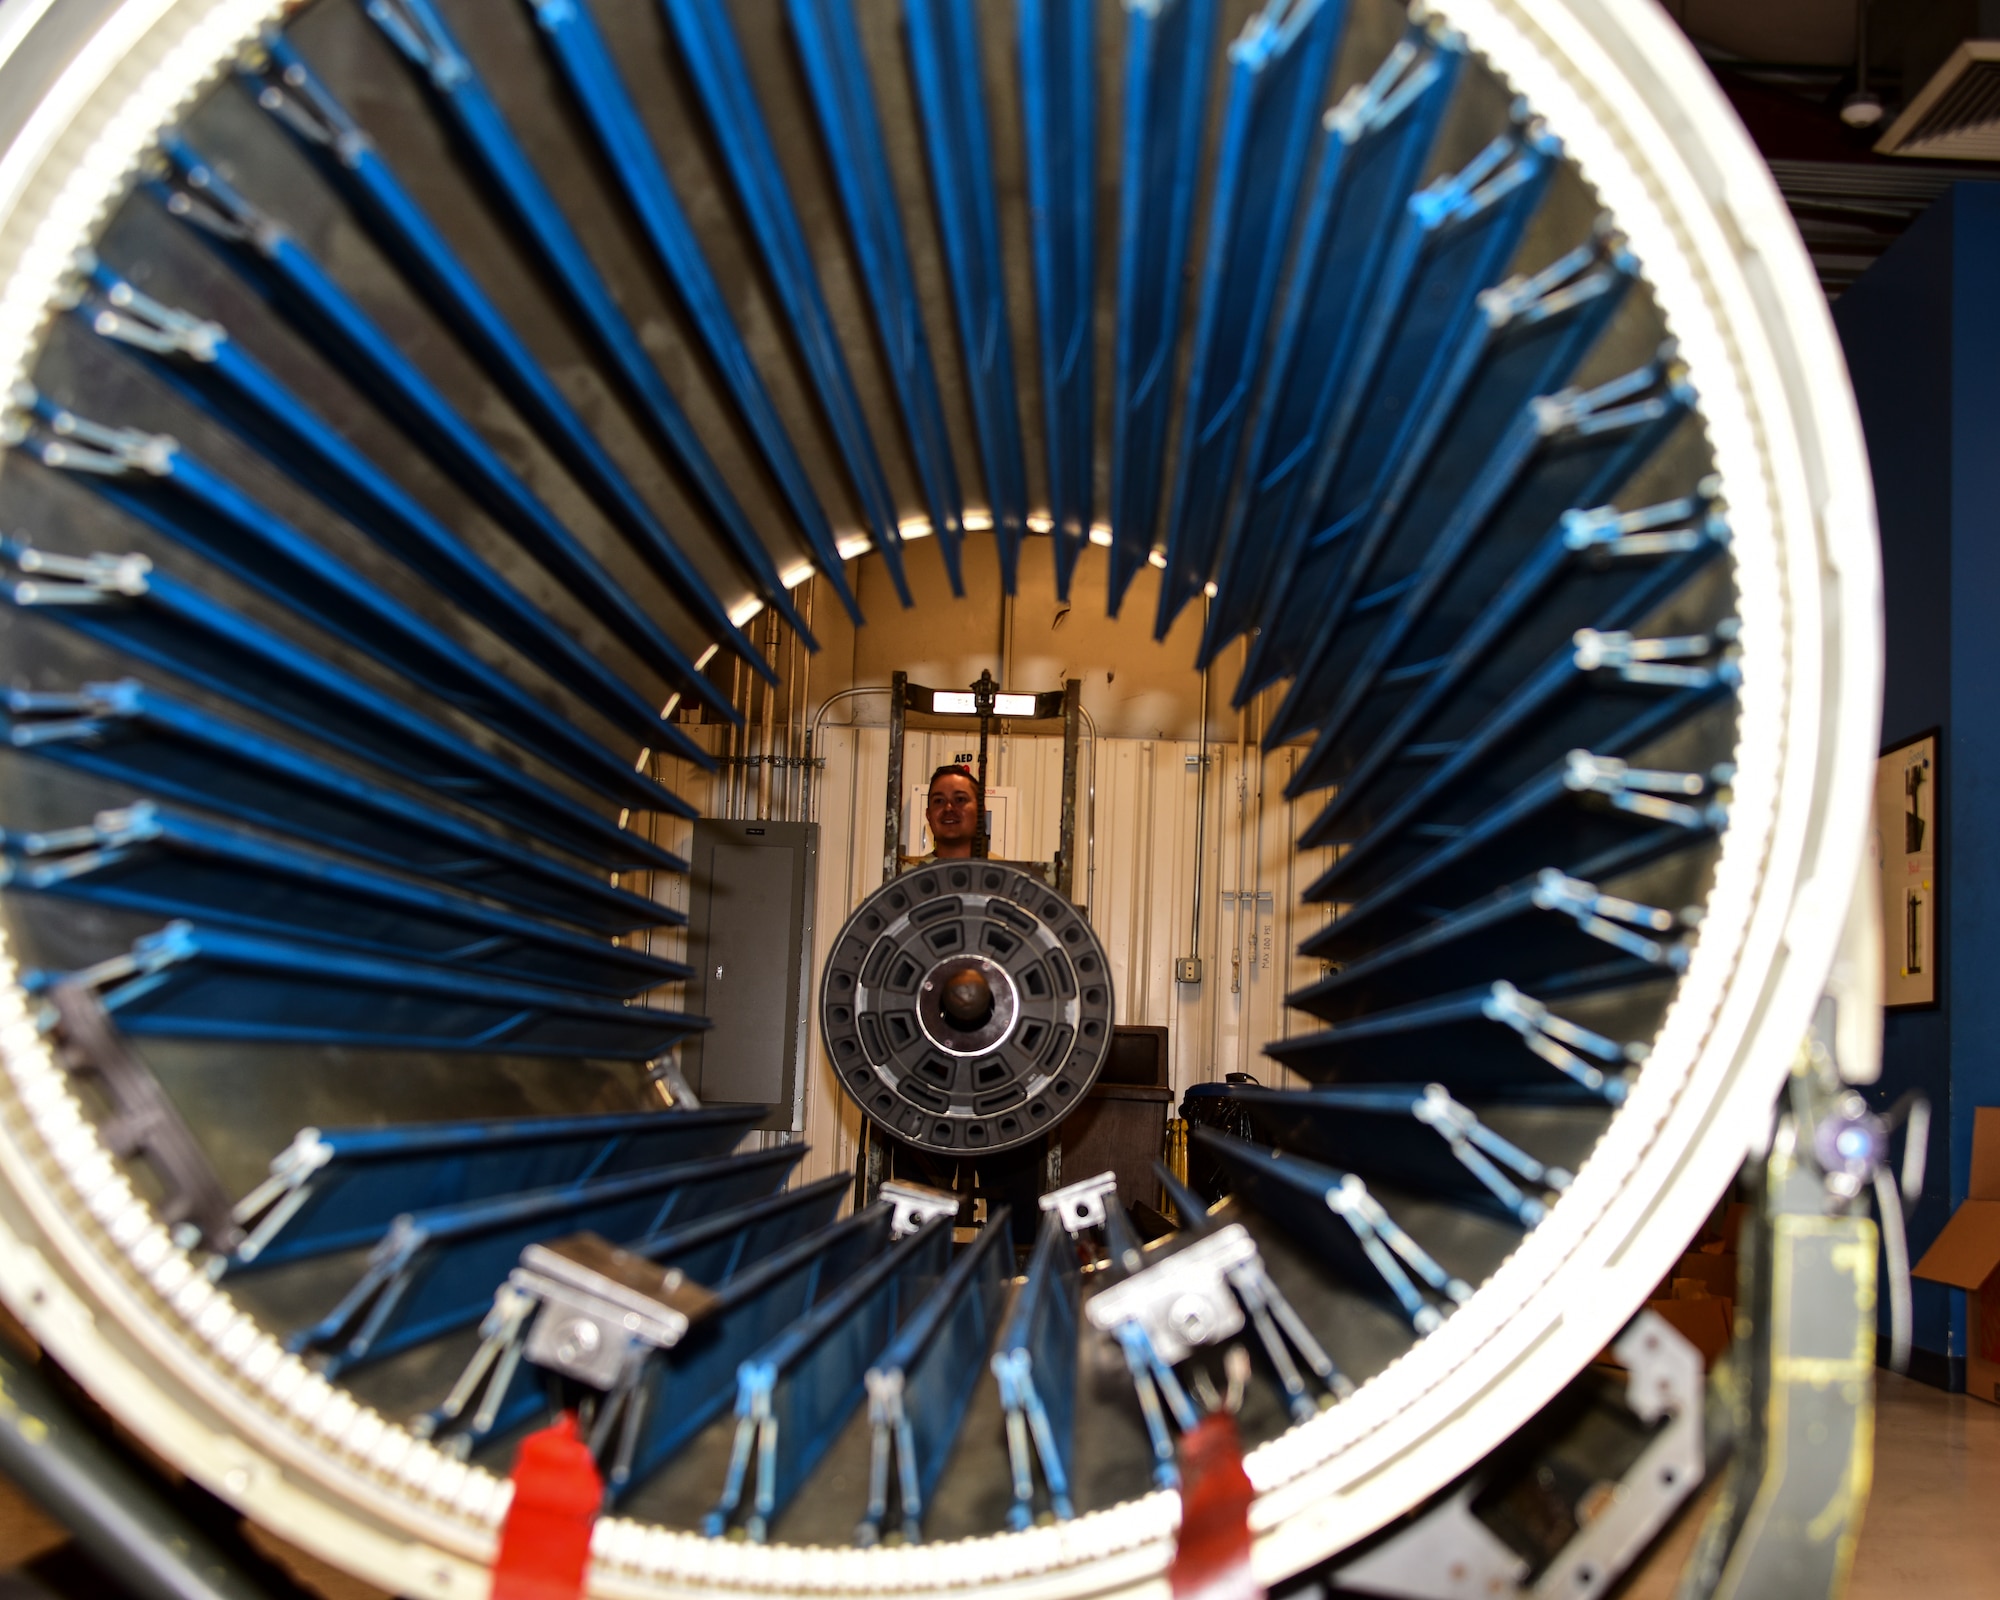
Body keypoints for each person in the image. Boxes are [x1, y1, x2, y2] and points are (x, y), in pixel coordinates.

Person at [906, 763, 981, 868]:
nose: (948, 808)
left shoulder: (1006, 874)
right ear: (928, 814)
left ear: (981, 811)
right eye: (939, 801)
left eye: (960, 799)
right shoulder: (909, 876)